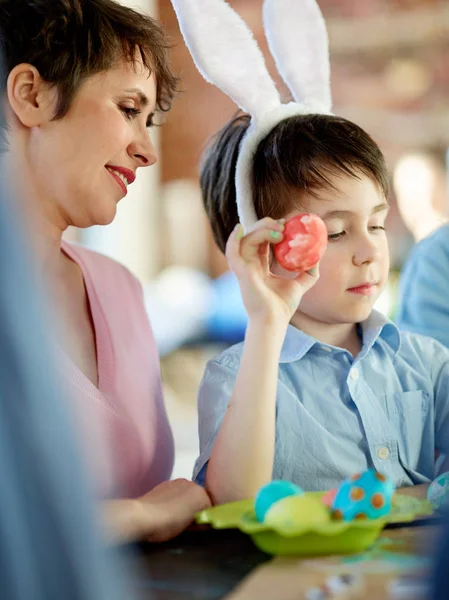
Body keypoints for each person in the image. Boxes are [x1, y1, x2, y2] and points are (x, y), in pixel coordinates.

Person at [170, 0, 449, 504]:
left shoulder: (427, 364)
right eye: (335, 233)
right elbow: (235, 502)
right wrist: (267, 321)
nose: (369, 252)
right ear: (263, 246)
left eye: (378, 224)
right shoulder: (239, 373)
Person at [0, 0, 210, 541]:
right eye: (127, 107)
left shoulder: (119, 290)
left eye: (149, 120)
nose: (147, 152)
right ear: (31, 95)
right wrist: (142, 516)